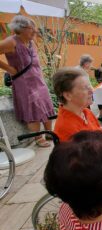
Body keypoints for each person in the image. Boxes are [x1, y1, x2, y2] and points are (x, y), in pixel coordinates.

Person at [0, 15, 55, 147]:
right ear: (21, 28)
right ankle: (38, 137)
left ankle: (49, 132)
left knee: (46, 104)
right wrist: (8, 68)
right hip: (23, 82)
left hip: (38, 80)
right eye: (32, 28)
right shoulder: (11, 42)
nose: (35, 31)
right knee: (33, 108)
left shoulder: (30, 41)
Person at [53, 67, 102, 155]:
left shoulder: (85, 112)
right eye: (85, 88)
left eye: (90, 85)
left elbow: (99, 129)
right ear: (68, 95)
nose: (92, 90)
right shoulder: (67, 128)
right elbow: (89, 163)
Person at [77, 54, 102, 124]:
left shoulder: (80, 69)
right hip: (81, 94)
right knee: (101, 94)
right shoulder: (81, 72)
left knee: (101, 93)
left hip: (83, 92)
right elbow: (87, 85)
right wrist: (94, 90)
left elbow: (88, 84)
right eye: (90, 63)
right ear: (86, 63)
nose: (91, 65)